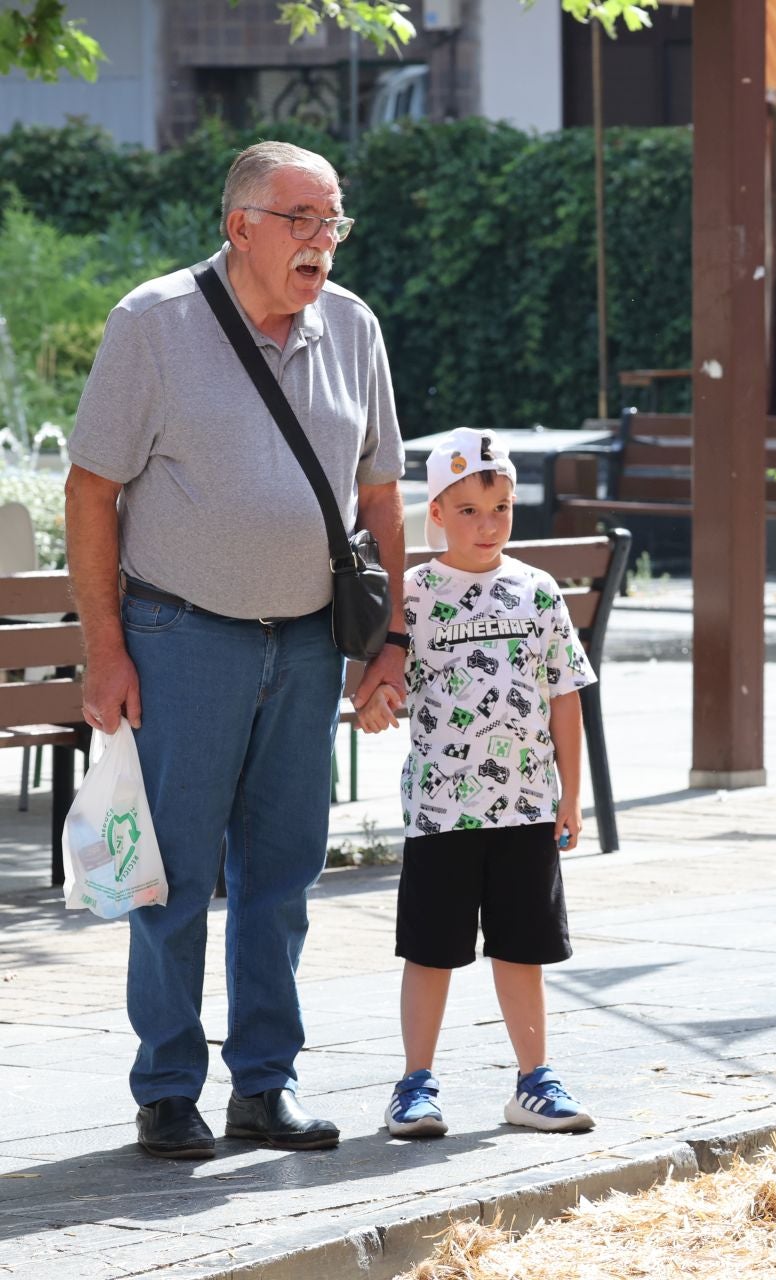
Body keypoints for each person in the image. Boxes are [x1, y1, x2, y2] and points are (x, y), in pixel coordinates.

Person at [65, 141, 407, 1159]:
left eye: (333, 219)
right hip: (181, 635)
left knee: (283, 870)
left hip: (308, 640)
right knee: (166, 874)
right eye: (300, 218)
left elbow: (381, 494)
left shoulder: (354, 328)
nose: (321, 241)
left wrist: (389, 639)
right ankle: (169, 1087)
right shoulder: (154, 324)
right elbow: (91, 491)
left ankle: (265, 1080)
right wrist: (104, 645)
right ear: (240, 224)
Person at [356, 428, 597, 1138]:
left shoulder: (537, 590)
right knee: (431, 951)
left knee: (524, 948)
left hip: (525, 809)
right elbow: (380, 689)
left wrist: (571, 795)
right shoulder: (414, 595)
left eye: (500, 507)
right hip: (440, 814)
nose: (486, 525)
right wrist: (375, 705)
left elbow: (565, 695)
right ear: (435, 512)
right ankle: (415, 1084)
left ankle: (534, 1082)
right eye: (467, 510)